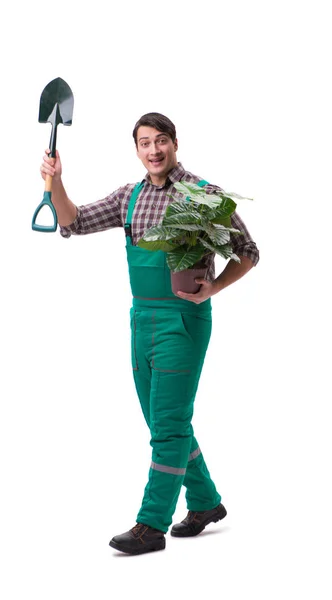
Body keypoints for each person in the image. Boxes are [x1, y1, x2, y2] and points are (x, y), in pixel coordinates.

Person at [39, 112, 259, 555]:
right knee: (164, 421)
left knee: (169, 424)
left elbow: (249, 251)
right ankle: (204, 503)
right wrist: (56, 181)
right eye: (144, 143)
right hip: (141, 320)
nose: (154, 150)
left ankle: (151, 523)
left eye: (161, 141)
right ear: (136, 149)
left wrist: (214, 286)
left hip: (182, 320)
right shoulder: (130, 196)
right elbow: (75, 221)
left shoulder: (202, 196)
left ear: (175, 143)